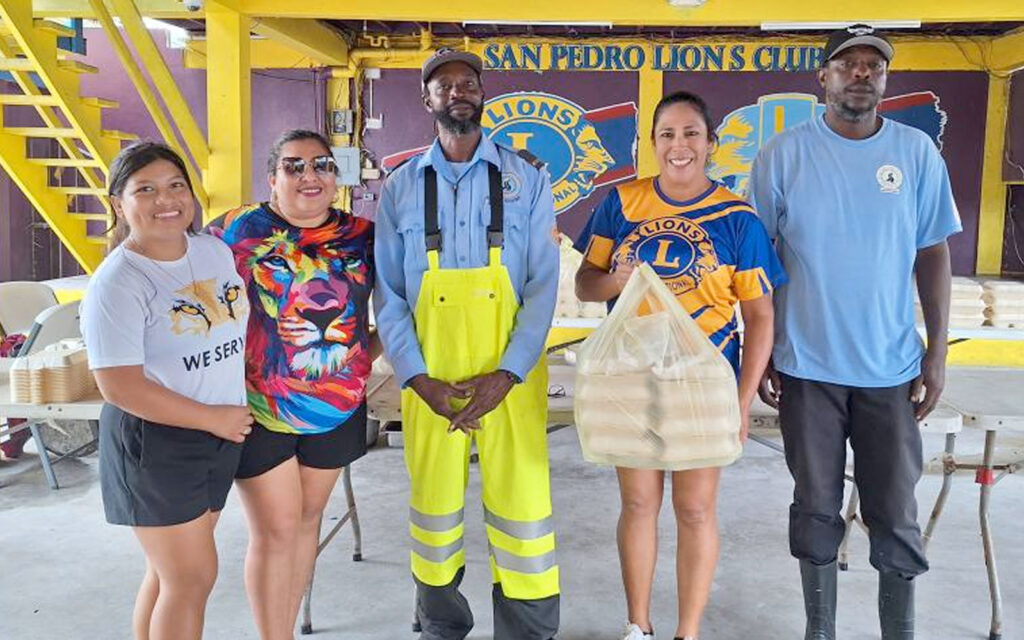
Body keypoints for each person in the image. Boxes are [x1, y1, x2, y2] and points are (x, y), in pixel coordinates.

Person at [749, 25, 960, 640]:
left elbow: (933, 253)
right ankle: (822, 629)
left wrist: (937, 354)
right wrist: (763, 353)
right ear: (824, 77)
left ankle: (899, 631)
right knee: (815, 509)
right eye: (849, 65)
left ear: (885, 80)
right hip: (806, 367)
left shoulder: (916, 153)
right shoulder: (782, 155)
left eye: (874, 66)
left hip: (890, 369)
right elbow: (760, 263)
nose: (862, 74)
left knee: (894, 511)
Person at [575, 91, 785, 640]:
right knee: (639, 502)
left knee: (694, 510)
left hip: (703, 378)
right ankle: (637, 626)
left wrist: (741, 401)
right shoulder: (621, 203)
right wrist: (616, 281)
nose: (679, 146)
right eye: (667, 134)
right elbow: (585, 282)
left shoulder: (739, 219)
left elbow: (759, 316)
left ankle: (687, 632)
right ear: (652, 145)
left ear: (711, 144)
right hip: (630, 373)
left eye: (692, 133)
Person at [374, 48, 560, 640]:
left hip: (510, 373)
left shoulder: (525, 179)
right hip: (431, 377)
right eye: (445, 84)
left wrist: (508, 373)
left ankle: (528, 630)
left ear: (482, 94)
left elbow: (543, 286)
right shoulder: (400, 187)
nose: (460, 90)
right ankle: (440, 624)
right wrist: (416, 377)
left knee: (523, 506)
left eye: (469, 82)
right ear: (426, 100)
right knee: (434, 509)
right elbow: (389, 293)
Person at [208, 129, 377, 640]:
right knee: (275, 530)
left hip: (339, 405)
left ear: (337, 175)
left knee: (308, 522)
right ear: (272, 177)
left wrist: (361, 358)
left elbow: (397, 307)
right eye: (294, 166)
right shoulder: (234, 232)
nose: (310, 175)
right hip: (260, 404)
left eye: (322, 164)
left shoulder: (364, 234)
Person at [81, 141, 252, 640]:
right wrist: (213, 418)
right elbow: (119, 386)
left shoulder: (212, 251)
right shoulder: (119, 282)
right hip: (155, 442)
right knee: (191, 578)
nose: (166, 199)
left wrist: (223, 419)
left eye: (176, 185)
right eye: (146, 190)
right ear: (119, 203)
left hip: (218, 432)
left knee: (168, 575)